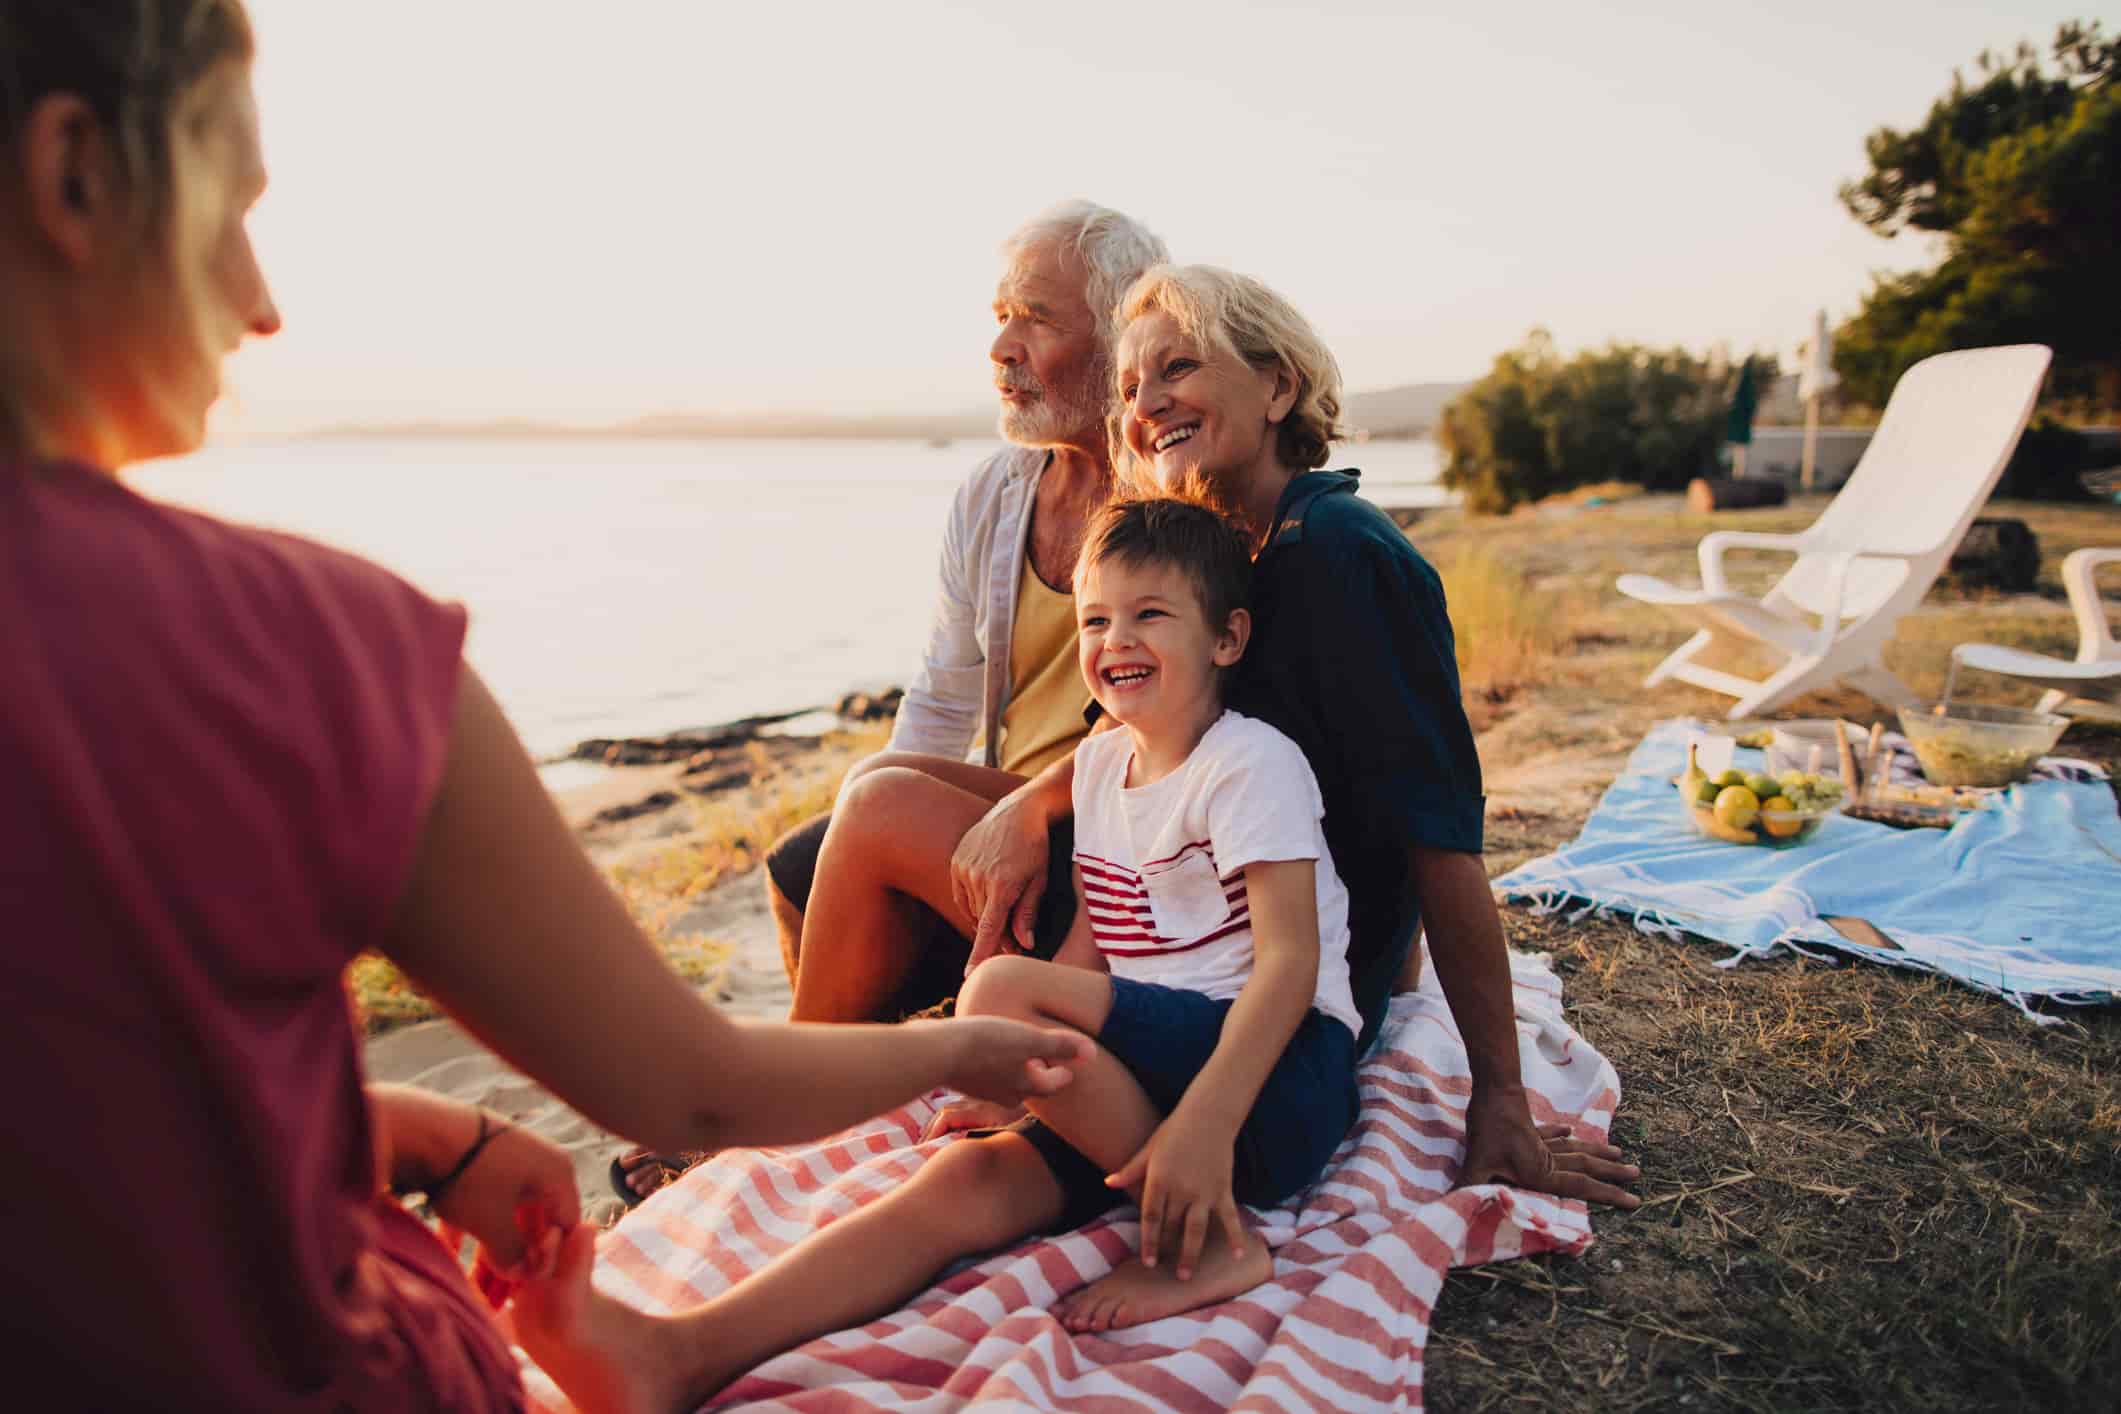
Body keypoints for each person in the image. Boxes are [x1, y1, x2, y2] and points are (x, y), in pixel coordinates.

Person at [0, 4, 1090, 1406]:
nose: (260, 298)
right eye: (231, 206)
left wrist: (403, 1128)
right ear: (77, 174)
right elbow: (684, 1085)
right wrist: (970, 1045)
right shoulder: (310, 650)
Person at [791, 263, 1643, 1207]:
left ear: (1279, 385)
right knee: (877, 787)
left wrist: (1500, 1103)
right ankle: (832, 1072)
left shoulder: (1342, 558)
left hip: (1238, 926)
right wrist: (1033, 805)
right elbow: (1117, 738)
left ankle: (784, 1109)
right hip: (1178, 858)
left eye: (1178, 369)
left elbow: (1439, 840)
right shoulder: (1215, 539)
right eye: (1127, 387)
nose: (1146, 405)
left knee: (878, 806)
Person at [510, 494, 1374, 1410]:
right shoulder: (1095, 769)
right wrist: (1022, 1084)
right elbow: (1094, 949)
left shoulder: (1249, 765)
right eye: (1095, 619)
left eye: (1150, 615)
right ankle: (679, 1354)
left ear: (1227, 639)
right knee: (968, 1176)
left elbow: (1288, 966)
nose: (1116, 639)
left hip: (1276, 1078)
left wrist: (1199, 1125)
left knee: (998, 989)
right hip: (1152, 1088)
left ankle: (1215, 1244)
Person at [613, 200, 1169, 1203]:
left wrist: (993, 810)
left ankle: (763, 1117)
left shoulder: (1173, 499)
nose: (1002, 347)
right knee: (813, 853)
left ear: (1124, 326)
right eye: (999, 315)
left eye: (1035, 317)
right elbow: (942, 697)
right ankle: (844, 1082)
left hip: (1114, 838)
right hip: (1002, 821)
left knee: (873, 810)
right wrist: (873, 823)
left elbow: (1175, 730)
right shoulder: (997, 496)